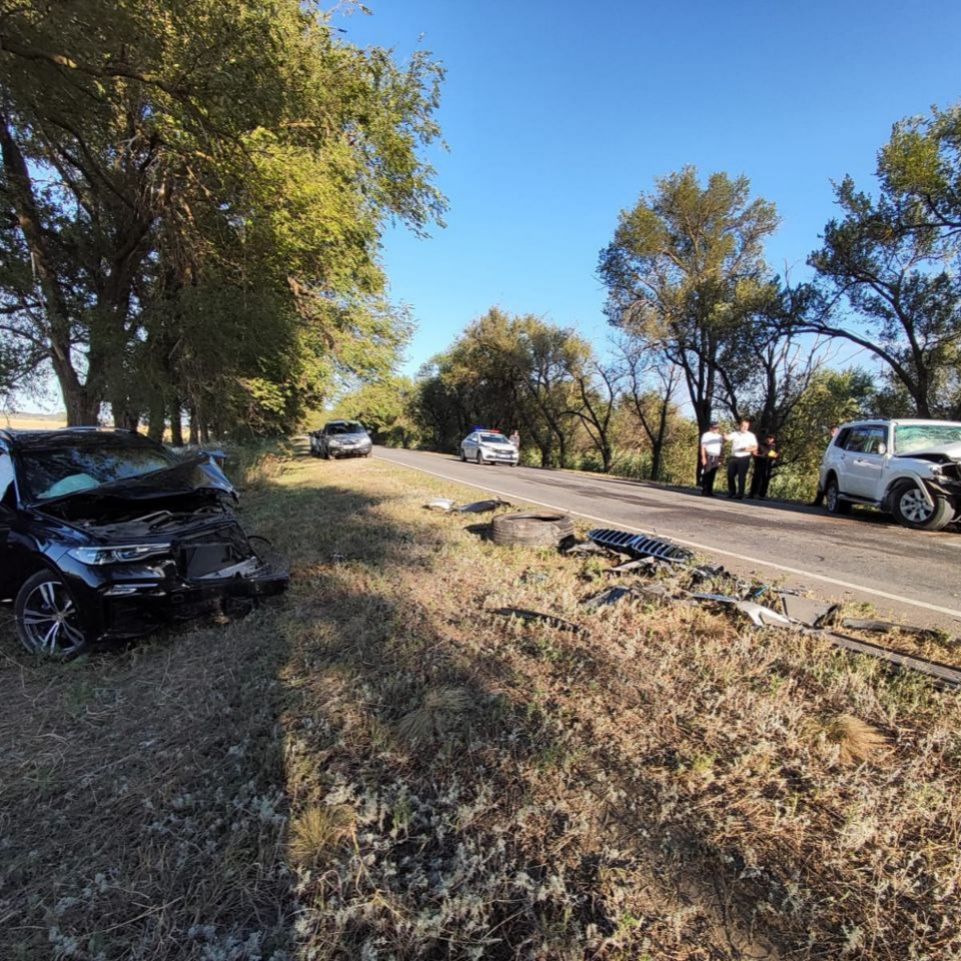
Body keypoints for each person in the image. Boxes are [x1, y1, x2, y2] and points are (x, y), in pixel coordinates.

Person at [726, 419, 757, 499]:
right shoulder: (735, 434)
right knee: (730, 475)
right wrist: (724, 436)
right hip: (734, 457)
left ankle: (740, 494)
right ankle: (732, 491)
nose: (744, 428)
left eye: (746, 426)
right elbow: (727, 438)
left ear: (748, 427)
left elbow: (755, 447)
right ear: (740, 426)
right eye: (743, 426)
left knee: (741, 476)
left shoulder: (751, 435)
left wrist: (746, 449)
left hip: (744, 458)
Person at [749, 433, 779, 500]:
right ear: (766, 439)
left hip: (768, 465)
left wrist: (772, 456)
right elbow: (755, 453)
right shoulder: (761, 445)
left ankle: (762, 495)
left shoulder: (774, 447)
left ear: (773, 440)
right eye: (768, 438)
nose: (769, 440)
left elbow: (776, 455)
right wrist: (760, 456)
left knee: (765, 480)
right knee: (756, 479)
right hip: (759, 464)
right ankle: (752, 493)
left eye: (771, 439)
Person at [699, 420, 725, 496]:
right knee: (707, 473)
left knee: (712, 474)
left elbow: (722, 446)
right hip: (709, 455)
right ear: (711, 428)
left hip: (716, 456)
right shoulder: (706, 435)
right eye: (714, 428)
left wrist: (721, 459)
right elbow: (703, 447)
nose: (716, 429)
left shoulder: (719, 436)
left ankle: (710, 490)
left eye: (717, 428)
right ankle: (705, 490)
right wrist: (703, 457)